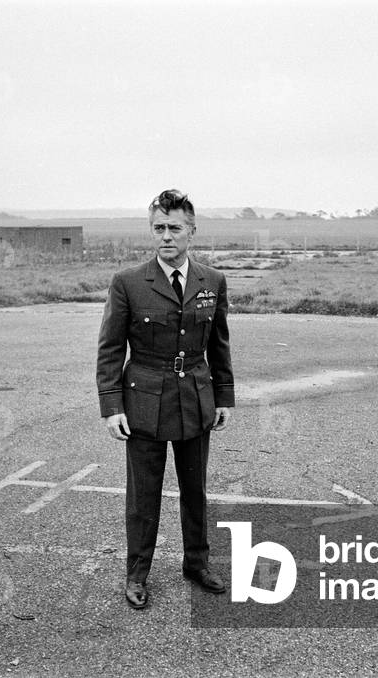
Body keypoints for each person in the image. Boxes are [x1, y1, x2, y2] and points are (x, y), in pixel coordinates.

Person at [96, 189, 235, 609]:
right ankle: (137, 574)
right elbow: (110, 349)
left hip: (195, 398)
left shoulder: (212, 281)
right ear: (151, 231)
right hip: (144, 402)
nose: (166, 236)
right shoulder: (128, 283)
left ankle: (197, 564)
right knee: (143, 496)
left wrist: (224, 397)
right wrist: (112, 406)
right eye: (159, 228)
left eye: (175, 228)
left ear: (192, 231)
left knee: (196, 491)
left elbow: (219, 344)